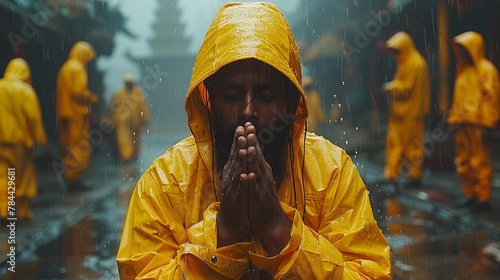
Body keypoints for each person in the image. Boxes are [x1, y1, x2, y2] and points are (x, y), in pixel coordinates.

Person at [116, 2, 391, 279]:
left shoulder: (331, 172)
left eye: (267, 96)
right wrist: (226, 231)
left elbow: (370, 273)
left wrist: (276, 228)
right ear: (208, 98)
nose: (248, 110)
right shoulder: (166, 182)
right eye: (233, 96)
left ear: (290, 100)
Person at [448, 31, 500, 213]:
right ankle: (470, 195)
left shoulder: (487, 70)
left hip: (478, 126)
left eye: (465, 49)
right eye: (460, 49)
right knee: (464, 161)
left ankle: (483, 198)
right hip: (462, 125)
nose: (462, 53)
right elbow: (457, 100)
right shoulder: (463, 72)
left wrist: (488, 123)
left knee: (480, 162)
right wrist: (453, 120)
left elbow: (491, 99)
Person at [381, 31, 431, 189]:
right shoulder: (404, 61)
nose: (395, 54)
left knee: (412, 145)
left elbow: (407, 88)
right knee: (394, 143)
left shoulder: (416, 63)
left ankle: (414, 176)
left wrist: (391, 87)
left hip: (412, 113)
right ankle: (392, 175)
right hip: (399, 112)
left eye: (397, 50)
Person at [0, 58, 47, 220]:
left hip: (1, 141)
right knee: (23, 176)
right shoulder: (25, 90)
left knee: (4, 175)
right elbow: (33, 118)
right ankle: (23, 212)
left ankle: (4, 210)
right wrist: (41, 140)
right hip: (20, 141)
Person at [56, 41, 100, 191]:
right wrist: (91, 98)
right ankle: (74, 179)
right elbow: (78, 92)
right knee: (78, 147)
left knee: (69, 146)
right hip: (76, 114)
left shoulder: (66, 67)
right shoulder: (77, 68)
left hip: (66, 113)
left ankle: (72, 178)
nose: (88, 60)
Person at [111, 73, 149, 163]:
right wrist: (113, 119)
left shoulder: (137, 93)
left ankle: (134, 154)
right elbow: (114, 107)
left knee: (135, 139)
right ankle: (126, 156)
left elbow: (142, 107)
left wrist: (144, 119)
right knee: (124, 139)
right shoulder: (119, 93)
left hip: (135, 122)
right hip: (123, 122)